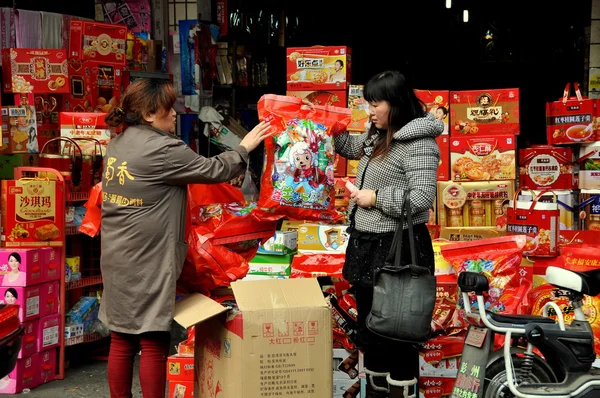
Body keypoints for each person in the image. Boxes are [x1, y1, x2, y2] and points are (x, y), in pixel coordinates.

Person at [100, 79, 271, 398]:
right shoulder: (162, 148)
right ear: (150, 114)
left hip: (116, 253)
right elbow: (214, 170)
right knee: (153, 339)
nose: (175, 115)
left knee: (121, 338)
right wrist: (245, 146)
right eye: (168, 109)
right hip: (148, 259)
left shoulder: (118, 144)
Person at [334, 71, 442, 398]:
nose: (369, 110)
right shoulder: (379, 133)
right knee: (372, 330)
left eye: (374, 103)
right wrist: (326, 124)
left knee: (397, 336)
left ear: (395, 104)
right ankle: (377, 392)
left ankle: (400, 393)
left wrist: (375, 197)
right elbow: (352, 147)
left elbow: (422, 198)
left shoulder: (419, 143)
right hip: (367, 245)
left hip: (398, 250)